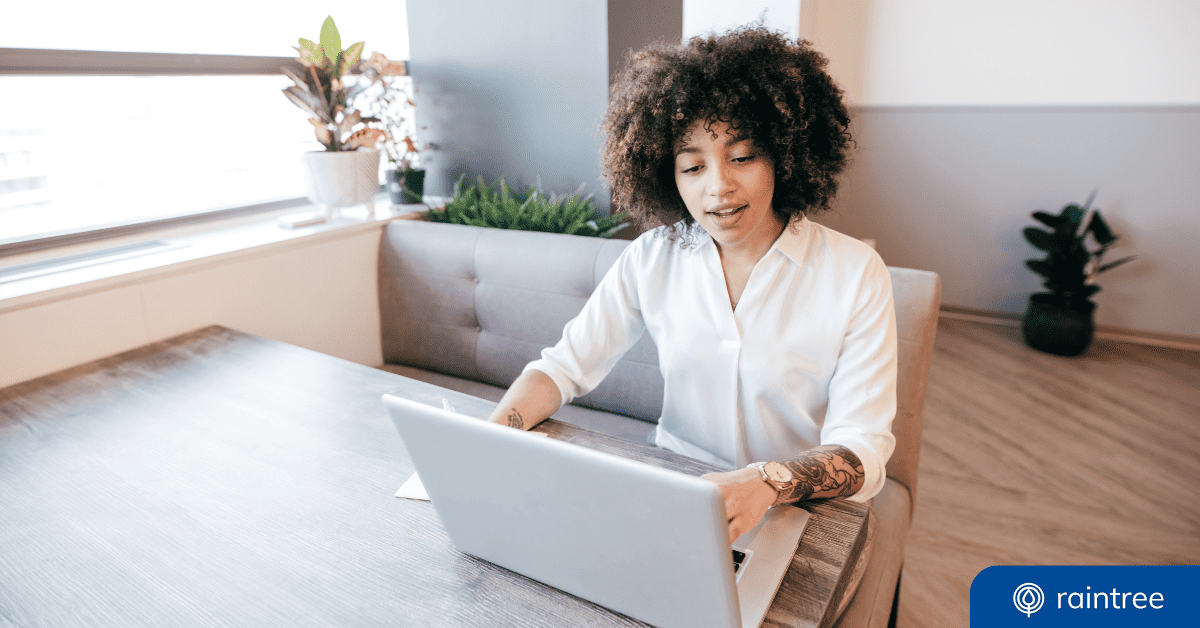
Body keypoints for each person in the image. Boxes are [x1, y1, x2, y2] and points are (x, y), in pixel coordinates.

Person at [485, 26, 897, 543]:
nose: (718, 186)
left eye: (743, 156)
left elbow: (863, 448)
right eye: (692, 165)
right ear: (668, 175)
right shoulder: (653, 257)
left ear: (785, 154)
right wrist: (493, 435)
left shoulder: (855, 272)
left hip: (800, 509)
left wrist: (766, 482)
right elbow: (564, 367)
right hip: (678, 499)